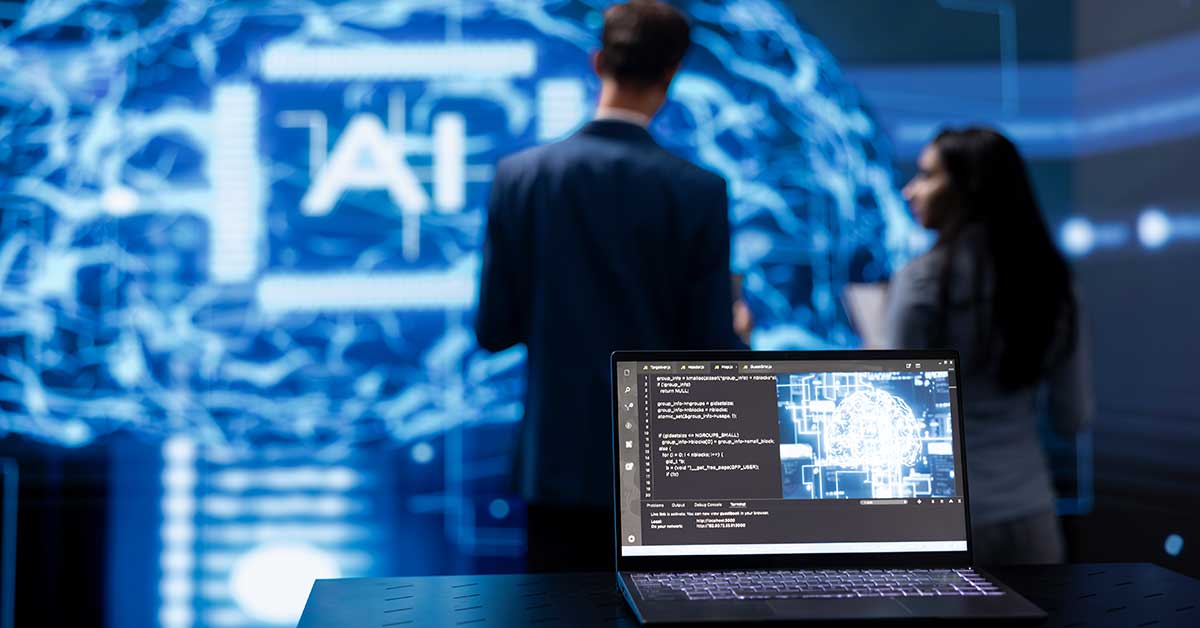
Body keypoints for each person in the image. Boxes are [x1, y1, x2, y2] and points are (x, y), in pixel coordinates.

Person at [475, 0, 744, 572]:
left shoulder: (520, 178)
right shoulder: (698, 190)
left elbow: (494, 329)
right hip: (665, 474)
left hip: (555, 465)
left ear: (597, 61)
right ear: (673, 74)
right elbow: (712, 353)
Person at [886, 127, 1093, 565]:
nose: (910, 191)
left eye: (925, 175)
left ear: (967, 188)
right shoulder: (1052, 283)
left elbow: (894, 415)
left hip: (945, 523)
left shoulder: (920, 282)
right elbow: (1073, 417)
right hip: (1033, 518)